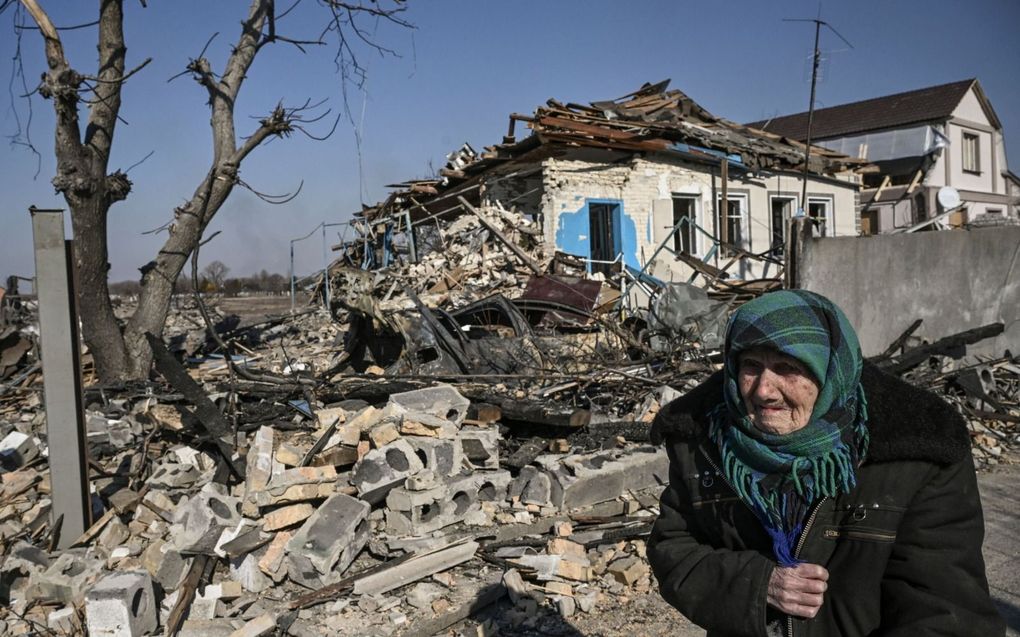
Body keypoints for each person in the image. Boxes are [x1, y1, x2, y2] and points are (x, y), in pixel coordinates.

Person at [647, 289, 1004, 636]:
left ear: (829, 370)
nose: (763, 390)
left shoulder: (918, 452)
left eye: (787, 368)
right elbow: (673, 548)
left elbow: (946, 610)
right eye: (751, 366)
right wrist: (757, 586)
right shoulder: (705, 441)